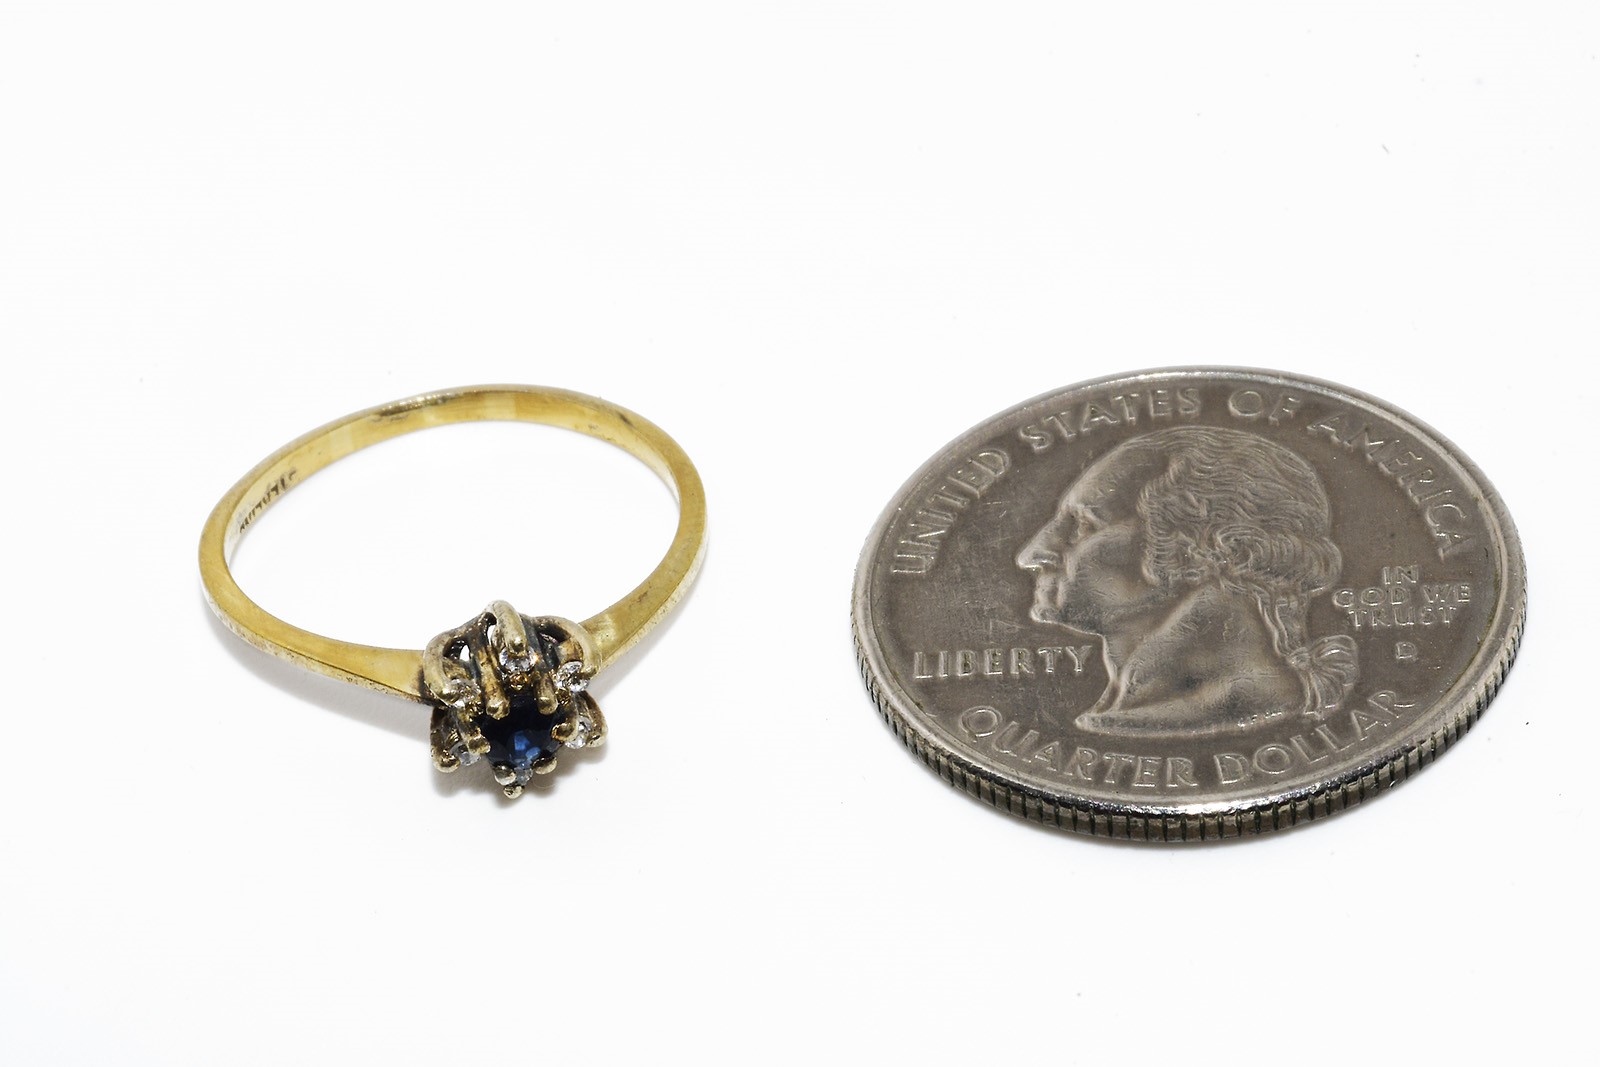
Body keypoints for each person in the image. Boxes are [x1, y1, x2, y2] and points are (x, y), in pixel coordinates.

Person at [1015, 426, 1357, 737]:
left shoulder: (1240, 705)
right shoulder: (1130, 708)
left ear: (1197, 549)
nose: (1033, 555)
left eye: (1084, 525)